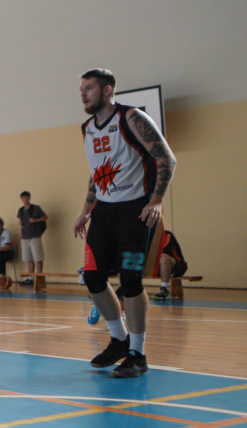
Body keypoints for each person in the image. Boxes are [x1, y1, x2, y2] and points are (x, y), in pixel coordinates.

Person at [73, 68, 177, 379]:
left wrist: (155, 201)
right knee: (92, 278)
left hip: (136, 210)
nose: (83, 93)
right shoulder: (87, 128)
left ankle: (138, 353)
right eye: (81, 88)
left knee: (131, 283)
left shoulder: (131, 118)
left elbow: (166, 159)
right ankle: (118, 340)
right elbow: (97, 172)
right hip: (103, 213)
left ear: (106, 90)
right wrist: (86, 209)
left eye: (89, 88)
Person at [17, 191, 48, 285]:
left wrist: (35, 220)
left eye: (27, 197)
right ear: (21, 199)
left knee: (38, 257)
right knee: (29, 258)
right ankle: (31, 278)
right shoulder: (21, 210)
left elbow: (45, 217)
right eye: (23, 198)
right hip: (25, 237)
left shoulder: (36, 208)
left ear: (30, 198)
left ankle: (38, 277)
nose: (25, 199)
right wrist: (21, 223)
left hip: (35, 236)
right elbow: (20, 221)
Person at [153, 230, 188, 301]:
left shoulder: (166, 234)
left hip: (176, 266)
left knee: (163, 257)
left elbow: (165, 249)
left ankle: (164, 289)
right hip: (155, 267)